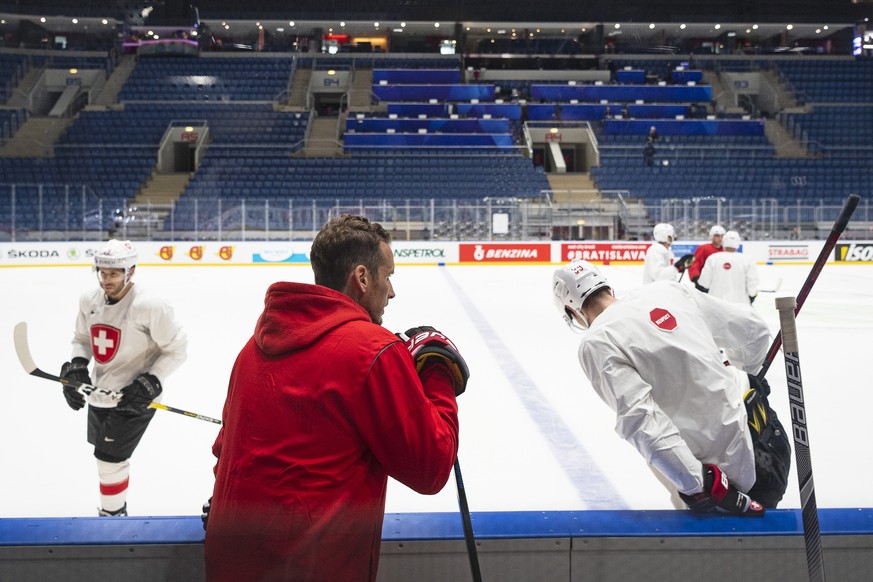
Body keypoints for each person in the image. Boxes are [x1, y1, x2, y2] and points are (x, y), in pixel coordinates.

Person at [204, 214, 467, 582]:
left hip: (229, 562)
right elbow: (430, 468)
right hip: (315, 568)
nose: (392, 291)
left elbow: (225, 453)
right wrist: (438, 373)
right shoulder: (373, 351)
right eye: (388, 276)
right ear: (362, 278)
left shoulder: (253, 348)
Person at [552, 260, 790, 515]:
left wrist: (702, 486)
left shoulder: (597, 342)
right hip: (771, 442)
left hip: (732, 477)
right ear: (606, 286)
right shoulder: (667, 291)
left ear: (572, 309)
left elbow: (643, 424)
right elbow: (754, 332)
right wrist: (748, 377)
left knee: (733, 550)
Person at [59, 239, 187, 516]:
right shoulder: (88, 300)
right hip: (100, 392)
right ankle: (114, 510)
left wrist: (152, 381)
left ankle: (113, 516)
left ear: (130, 272)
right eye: (102, 272)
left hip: (136, 397)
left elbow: (176, 349)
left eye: (114, 273)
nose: (106, 279)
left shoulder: (150, 305)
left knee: (108, 459)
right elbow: (82, 337)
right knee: (103, 453)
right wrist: (78, 365)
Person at [697, 230, 759, 304]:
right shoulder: (747, 260)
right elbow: (752, 282)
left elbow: (704, 282)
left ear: (724, 241)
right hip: (740, 304)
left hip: (715, 303)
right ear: (738, 243)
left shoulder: (713, 258)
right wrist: (752, 296)